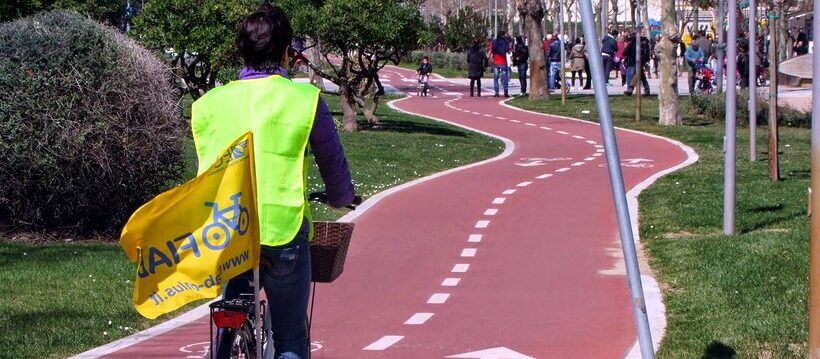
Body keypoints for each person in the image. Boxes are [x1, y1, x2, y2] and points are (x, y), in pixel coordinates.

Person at [192, 5, 357, 359]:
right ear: (286, 52)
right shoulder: (304, 100)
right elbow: (332, 162)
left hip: (229, 230)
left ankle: (225, 345)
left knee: (232, 307)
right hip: (284, 233)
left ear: (242, 51)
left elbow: (202, 169)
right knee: (291, 337)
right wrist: (341, 196)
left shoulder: (210, 103)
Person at [623, 32, 651, 96]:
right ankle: (646, 90)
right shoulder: (645, 42)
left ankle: (630, 89)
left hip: (633, 61)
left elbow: (625, 52)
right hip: (641, 61)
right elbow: (647, 53)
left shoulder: (633, 42)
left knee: (633, 75)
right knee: (641, 76)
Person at [489, 31, 511, 97]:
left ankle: (496, 92)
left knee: (496, 78)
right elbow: (509, 51)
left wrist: (489, 58)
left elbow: (490, 51)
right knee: (505, 78)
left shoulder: (493, 42)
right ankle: (506, 92)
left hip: (496, 61)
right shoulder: (506, 42)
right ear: (503, 35)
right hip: (503, 61)